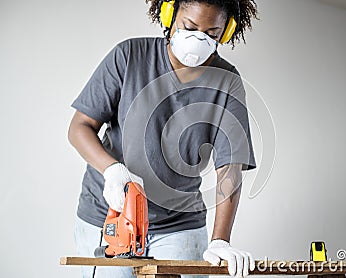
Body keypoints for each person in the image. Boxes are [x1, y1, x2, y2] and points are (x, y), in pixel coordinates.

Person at [68, 0, 258, 277]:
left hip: (179, 225)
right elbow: (80, 126)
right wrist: (112, 170)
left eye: (211, 34)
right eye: (189, 27)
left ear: (225, 33)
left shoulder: (226, 80)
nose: (198, 40)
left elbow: (230, 165)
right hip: (111, 217)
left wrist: (220, 240)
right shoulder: (129, 55)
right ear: (169, 16)